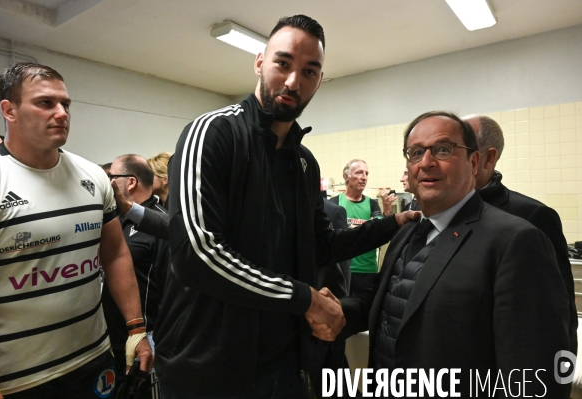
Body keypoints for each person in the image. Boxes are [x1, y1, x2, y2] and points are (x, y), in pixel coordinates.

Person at [154, 15, 416, 399]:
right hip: (208, 367)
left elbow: (320, 247)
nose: (294, 81)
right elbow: (197, 253)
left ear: (320, 81)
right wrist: (305, 299)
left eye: (309, 71)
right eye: (283, 63)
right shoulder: (212, 132)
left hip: (284, 363)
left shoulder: (304, 163)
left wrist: (393, 223)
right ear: (259, 62)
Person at [320, 111, 570, 397]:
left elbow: (533, 372)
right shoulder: (408, 232)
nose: (426, 162)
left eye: (443, 149)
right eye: (415, 153)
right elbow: (386, 300)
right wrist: (340, 311)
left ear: (474, 162)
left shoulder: (515, 241)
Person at [0, 63, 152, 399]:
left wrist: (136, 328)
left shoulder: (93, 176)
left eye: (66, 104)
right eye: (46, 103)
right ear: (9, 110)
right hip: (18, 379)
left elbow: (116, 253)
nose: (61, 113)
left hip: (93, 360)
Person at [464, 113, 577, 355]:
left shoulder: (532, 217)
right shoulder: (436, 216)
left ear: (488, 158)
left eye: (460, 146)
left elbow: (559, 312)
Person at [102, 154, 169, 398]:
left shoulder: (162, 223)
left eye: (112, 177)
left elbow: (169, 289)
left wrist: (152, 342)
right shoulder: (114, 218)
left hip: (146, 342)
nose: (107, 182)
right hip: (112, 339)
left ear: (130, 182)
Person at [330, 159, 383, 294]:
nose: (364, 177)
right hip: (341, 269)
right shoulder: (335, 203)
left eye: (366, 173)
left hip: (367, 269)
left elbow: (377, 232)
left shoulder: (372, 204)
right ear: (346, 176)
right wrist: (366, 226)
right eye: (359, 172)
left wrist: (351, 230)